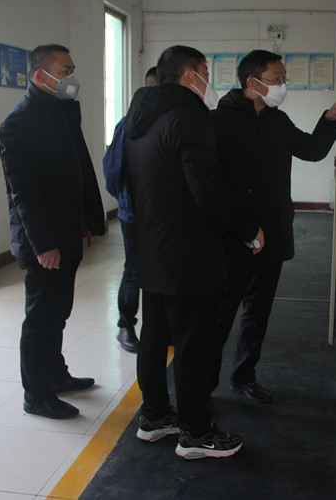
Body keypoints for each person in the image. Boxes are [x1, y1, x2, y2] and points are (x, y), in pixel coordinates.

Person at [123, 45, 265, 459]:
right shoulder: (188, 116)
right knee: (194, 346)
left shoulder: (139, 119)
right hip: (188, 253)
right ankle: (196, 433)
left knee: (155, 339)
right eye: (205, 70)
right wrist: (248, 229)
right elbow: (207, 185)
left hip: (151, 247)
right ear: (190, 74)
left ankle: (154, 417)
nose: (208, 79)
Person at [209, 49, 336, 403]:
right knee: (219, 318)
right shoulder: (218, 122)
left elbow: (312, 149)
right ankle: (203, 390)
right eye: (277, 79)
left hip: (271, 234)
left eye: (283, 78)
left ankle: (244, 375)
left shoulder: (277, 120)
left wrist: (330, 119)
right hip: (233, 237)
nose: (283, 85)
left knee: (258, 314)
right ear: (252, 81)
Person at [0, 44, 106, 419]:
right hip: (43, 241)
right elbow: (24, 193)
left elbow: (77, 167)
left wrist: (89, 217)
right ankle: (36, 394)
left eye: (72, 69)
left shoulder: (64, 110)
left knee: (58, 312)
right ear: (39, 75)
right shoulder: (19, 122)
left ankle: (56, 375)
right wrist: (44, 245)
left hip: (66, 231)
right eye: (64, 70)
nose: (70, 77)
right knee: (41, 319)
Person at [103, 67, 158, 353]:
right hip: (134, 214)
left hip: (163, 216)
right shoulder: (127, 125)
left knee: (161, 271)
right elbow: (113, 170)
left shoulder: (175, 121)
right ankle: (126, 326)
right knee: (134, 270)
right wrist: (127, 200)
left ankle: (159, 328)